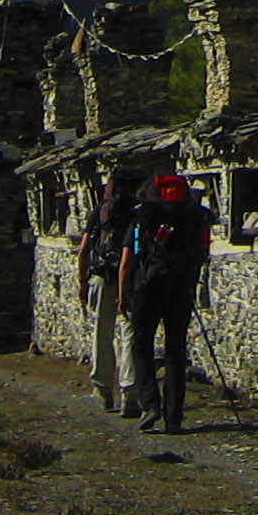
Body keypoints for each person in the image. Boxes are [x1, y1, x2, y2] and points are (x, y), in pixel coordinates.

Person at [122, 172, 214, 433]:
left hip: (148, 286)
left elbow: (129, 258)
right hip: (181, 286)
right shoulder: (193, 216)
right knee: (175, 350)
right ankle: (174, 417)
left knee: (142, 346)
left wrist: (123, 294)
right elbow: (201, 252)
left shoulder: (143, 216)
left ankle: (150, 404)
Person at [75, 166, 148, 414]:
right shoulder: (139, 213)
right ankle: (130, 393)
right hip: (130, 279)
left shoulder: (101, 211)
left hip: (101, 276)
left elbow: (84, 248)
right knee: (129, 335)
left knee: (101, 332)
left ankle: (103, 390)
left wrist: (82, 281)